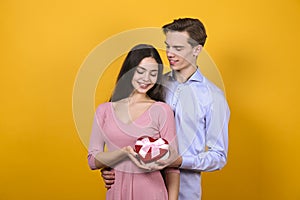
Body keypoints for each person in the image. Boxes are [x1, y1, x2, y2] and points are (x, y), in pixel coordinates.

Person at [101, 18, 230, 200]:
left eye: (178, 48)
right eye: (168, 46)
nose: (169, 53)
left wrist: (180, 161)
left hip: (186, 193)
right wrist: (113, 168)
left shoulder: (213, 97)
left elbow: (219, 156)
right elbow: (126, 131)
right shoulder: (152, 85)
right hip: (141, 188)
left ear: (197, 49)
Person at [87, 44, 180, 200]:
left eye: (153, 73)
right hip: (117, 194)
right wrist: (123, 154)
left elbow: (172, 166)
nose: (146, 79)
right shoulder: (104, 111)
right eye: (140, 71)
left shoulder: (162, 110)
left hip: (152, 193)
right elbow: (92, 160)